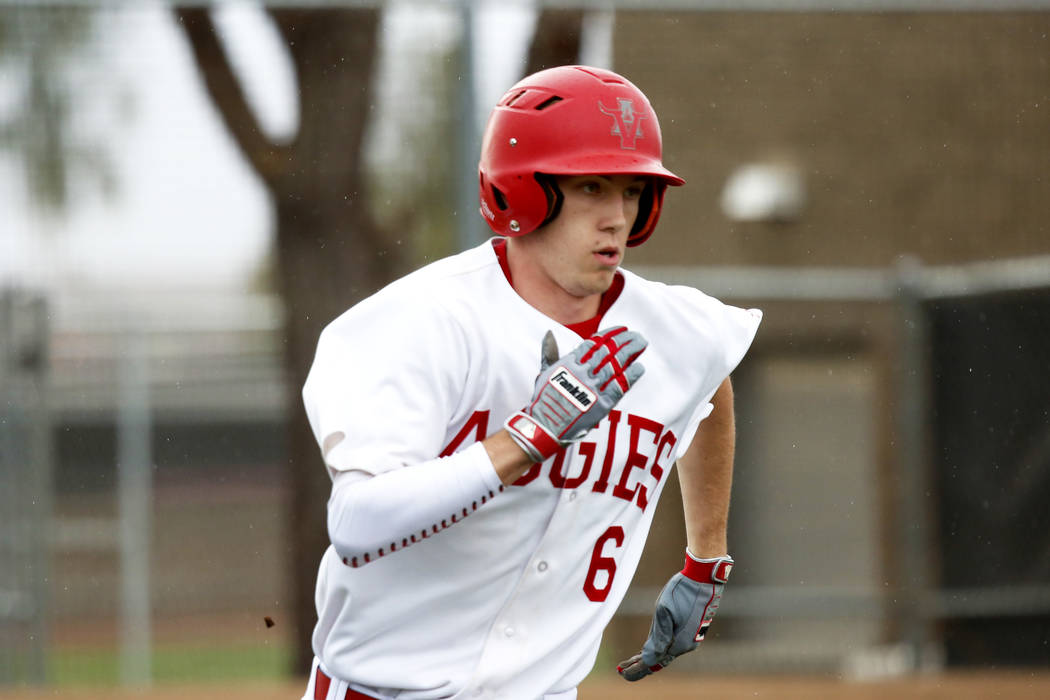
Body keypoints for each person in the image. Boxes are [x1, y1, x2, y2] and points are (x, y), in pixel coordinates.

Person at [299, 65, 761, 700]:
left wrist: (706, 558)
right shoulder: (424, 321)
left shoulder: (673, 329)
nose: (617, 217)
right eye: (592, 186)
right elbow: (357, 523)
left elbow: (713, 377)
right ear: (523, 191)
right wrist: (527, 436)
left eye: (631, 190)